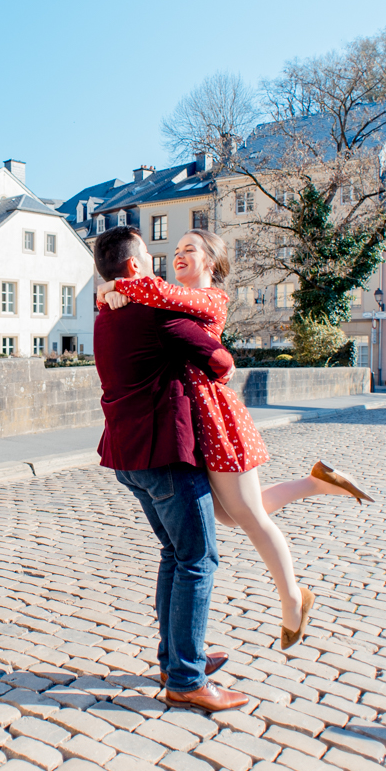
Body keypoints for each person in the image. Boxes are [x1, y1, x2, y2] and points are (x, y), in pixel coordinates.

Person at [100, 229, 372, 650]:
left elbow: (154, 294)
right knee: (231, 516)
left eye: (190, 249)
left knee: (249, 517)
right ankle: (315, 482)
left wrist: (116, 286)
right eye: (175, 250)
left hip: (216, 417)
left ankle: (292, 600)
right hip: (195, 424)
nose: (178, 256)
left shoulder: (211, 298)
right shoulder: (165, 295)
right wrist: (115, 291)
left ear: (211, 261)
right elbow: (151, 295)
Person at [93, 225, 248, 712]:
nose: (163, 267)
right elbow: (220, 361)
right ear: (134, 268)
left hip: (126, 454)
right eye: (153, 260)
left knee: (173, 555)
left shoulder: (104, 313)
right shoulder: (153, 313)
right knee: (198, 560)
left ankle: (176, 657)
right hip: (165, 454)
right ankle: (185, 677)